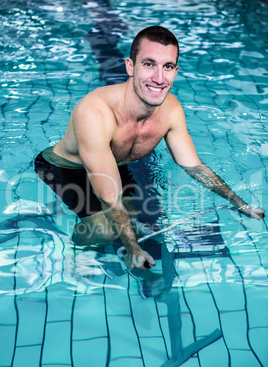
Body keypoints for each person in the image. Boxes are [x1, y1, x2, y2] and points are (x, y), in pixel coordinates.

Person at [35, 26, 265, 270]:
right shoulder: (95, 113)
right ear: (130, 67)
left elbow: (194, 166)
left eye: (167, 67)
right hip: (65, 167)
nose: (159, 78)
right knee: (106, 229)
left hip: (115, 164)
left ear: (175, 71)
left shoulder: (171, 110)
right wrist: (133, 250)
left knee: (145, 213)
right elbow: (109, 197)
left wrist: (240, 203)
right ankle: (72, 249)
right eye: (149, 64)